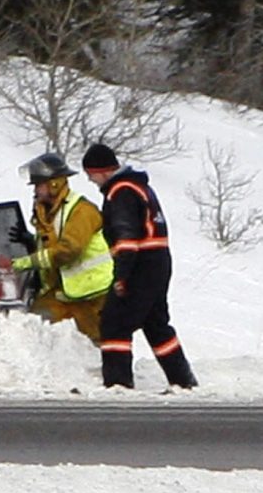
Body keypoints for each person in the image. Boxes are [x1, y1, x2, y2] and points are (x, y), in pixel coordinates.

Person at [82, 142, 196, 390]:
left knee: (114, 323)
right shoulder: (139, 186)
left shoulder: (121, 192)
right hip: (158, 262)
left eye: (91, 174)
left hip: (140, 266)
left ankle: (118, 384)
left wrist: (121, 277)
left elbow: (126, 238)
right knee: (156, 325)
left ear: (102, 171)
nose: (90, 180)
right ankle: (183, 381)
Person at [12, 151, 111, 340]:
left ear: (54, 184)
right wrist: (32, 241)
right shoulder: (49, 212)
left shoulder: (81, 211)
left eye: (38, 185)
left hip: (93, 293)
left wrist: (25, 263)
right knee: (34, 326)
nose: (35, 191)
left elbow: (69, 250)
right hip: (64, 291)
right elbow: (54, 243)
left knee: (97, 343)